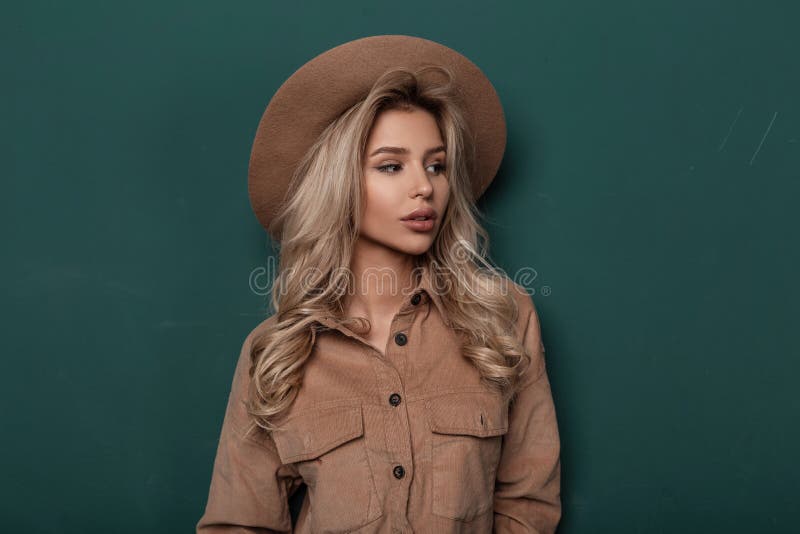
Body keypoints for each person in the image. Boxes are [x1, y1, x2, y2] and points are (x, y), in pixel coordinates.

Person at [196, 35, 561, 533]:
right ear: (340, 181)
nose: (424, 187)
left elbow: (528, 505)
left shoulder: (502, 319)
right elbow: (239, 523)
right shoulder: (277, 351)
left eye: (436, 165)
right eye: (391, 165)